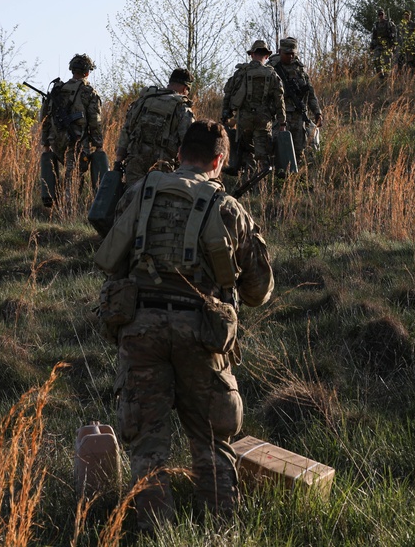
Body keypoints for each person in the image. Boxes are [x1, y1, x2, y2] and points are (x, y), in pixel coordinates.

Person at [94, 119, 274, 532]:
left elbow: (112, 262)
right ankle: (222, 533)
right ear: (220, 160)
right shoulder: (229, 208)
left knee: (147, 446)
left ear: (179, 154)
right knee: (213, 441)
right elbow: (257, 291)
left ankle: (156, 534)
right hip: (203, 333)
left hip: (140, 329)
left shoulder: (139, 193)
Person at [39, 53, 104, 207]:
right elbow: (94, 121)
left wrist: (46, 142)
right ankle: (68, 210)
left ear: (71, 69)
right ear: (87, 72)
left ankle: (61, 205)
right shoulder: (88, 92)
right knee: (74, 176)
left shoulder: (58, 89)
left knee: (65, 173)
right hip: (77, 140)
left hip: (56, 142)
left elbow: (45, 117)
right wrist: (98, 143)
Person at [113, 68, 196, 186]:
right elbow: (188, 144)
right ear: (185, 88)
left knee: (131, 199)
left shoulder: (144, 100)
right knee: (155, 202)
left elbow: (126, 130)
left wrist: (118, 160)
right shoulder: (183, 108)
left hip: (135, 161)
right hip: (162, 167)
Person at [221, 40, 285, 175]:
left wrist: (225, 115)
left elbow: (228, 93)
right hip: (264, 119)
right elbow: (279, 99)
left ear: (252, 54)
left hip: (244, 119)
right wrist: (282, 121)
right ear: (267, 56)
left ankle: (248, 183)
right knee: (263, 154)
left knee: (246, 152)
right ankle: (262, 186)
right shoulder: (272, 74)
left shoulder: (241, 72)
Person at [269, 37, 322, 163]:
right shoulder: (272, 69)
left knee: (299, 150)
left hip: (298, 116)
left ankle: (296, 178)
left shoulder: (300, 70)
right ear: (280, 51)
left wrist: (317, 112)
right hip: (279, 117)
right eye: (287, 54)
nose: (290, 56)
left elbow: (310, 92)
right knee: (278, 149)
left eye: (293, 53)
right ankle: (279, 178)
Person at [369, 8, 398, 77]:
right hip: (378, 45)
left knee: (387, 61)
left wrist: (394, 44)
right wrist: (371, 47)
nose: (380, 16)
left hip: (387, 45)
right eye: (379, 15)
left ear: (384, 15)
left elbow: (395, 34)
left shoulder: (389, 23)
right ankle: (380, 75)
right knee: (376, 60)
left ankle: (387, 76)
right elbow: (373, 37)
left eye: (382, 14)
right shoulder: (376, 25)